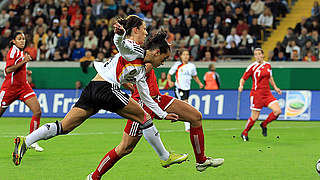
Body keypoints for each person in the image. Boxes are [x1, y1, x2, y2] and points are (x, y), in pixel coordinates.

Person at [12, 20, 178, 176]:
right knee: (144, 117)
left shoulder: (142, 70)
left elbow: (146, 97)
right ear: (156, 52)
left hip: (92, 88)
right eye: (164, 58)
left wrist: (163, 114)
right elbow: (121, 44)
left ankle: (26, 140)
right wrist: (119, 34)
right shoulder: (136, 50)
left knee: (65, 126)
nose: (163, 63)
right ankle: (164, 157)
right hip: (106, 87)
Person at [1, 32, 44, 160]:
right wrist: (24, 62)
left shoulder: (20, 52)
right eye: (19, 39)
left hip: (23, 87)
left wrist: (25, 70)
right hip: (10, 89)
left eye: (23, 39)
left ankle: (32, 140)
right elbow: (8, 70)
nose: (22, 41)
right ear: (13, 41)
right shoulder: (13, 52)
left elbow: (18, 68)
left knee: (37, 111)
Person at [238, 48, 282, 141]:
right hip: (256, 94)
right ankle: (244, 132)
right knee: (255, 117)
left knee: (277, 111)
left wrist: (275, 87)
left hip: (267, 94)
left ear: (263, 55)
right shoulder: (252, 67)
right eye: (255, 54)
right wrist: (241, 85)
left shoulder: (268, 65)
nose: (257, 56)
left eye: (259, 54)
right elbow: (243, 78)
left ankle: (264, 124)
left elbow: (270, 77)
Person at [167, 49, 204, 132]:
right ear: (181, 56)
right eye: (184, 54)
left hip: (187, 89)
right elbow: (169, 74)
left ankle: (174, 116)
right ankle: (187, 127)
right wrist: (169, 81)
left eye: (187, 54)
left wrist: (200, 83)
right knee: (186, 105)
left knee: (181, 107)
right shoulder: (177, 65)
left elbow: (195, 76)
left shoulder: (192, 66)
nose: (186, 56)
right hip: (179, 88)